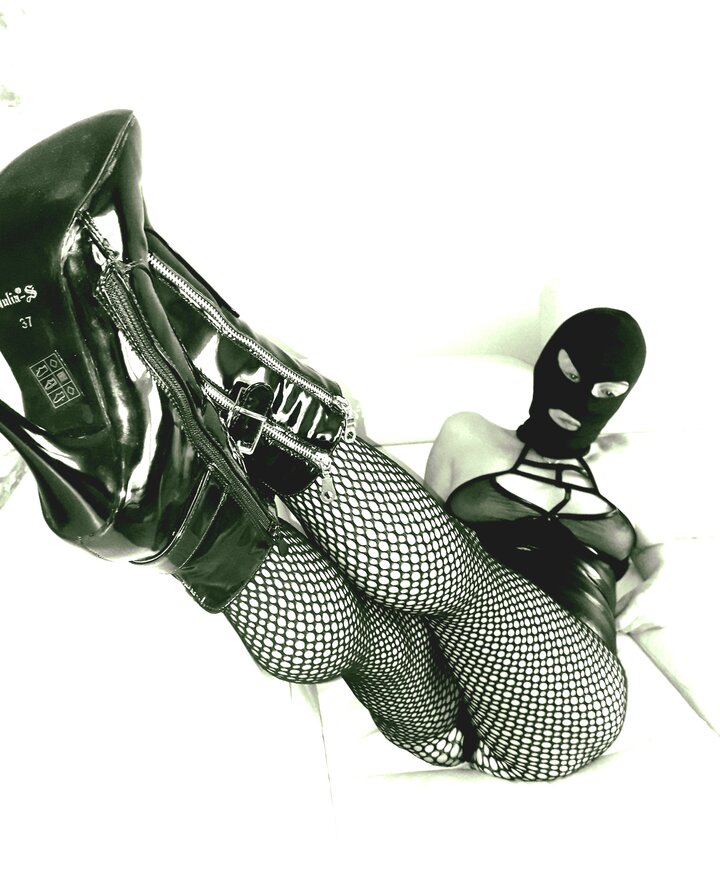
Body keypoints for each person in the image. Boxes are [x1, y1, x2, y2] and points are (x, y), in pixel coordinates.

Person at [0, 111, 642, 782]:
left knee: (461, 586)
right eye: (572, 374)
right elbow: (412, 541)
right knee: (390, 615)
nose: (584, 400)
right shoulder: (472, 433)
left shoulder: (622, 471)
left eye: (609, 392)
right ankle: (176, 509)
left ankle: (192, 442)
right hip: (433, 705)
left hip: (561, 701)